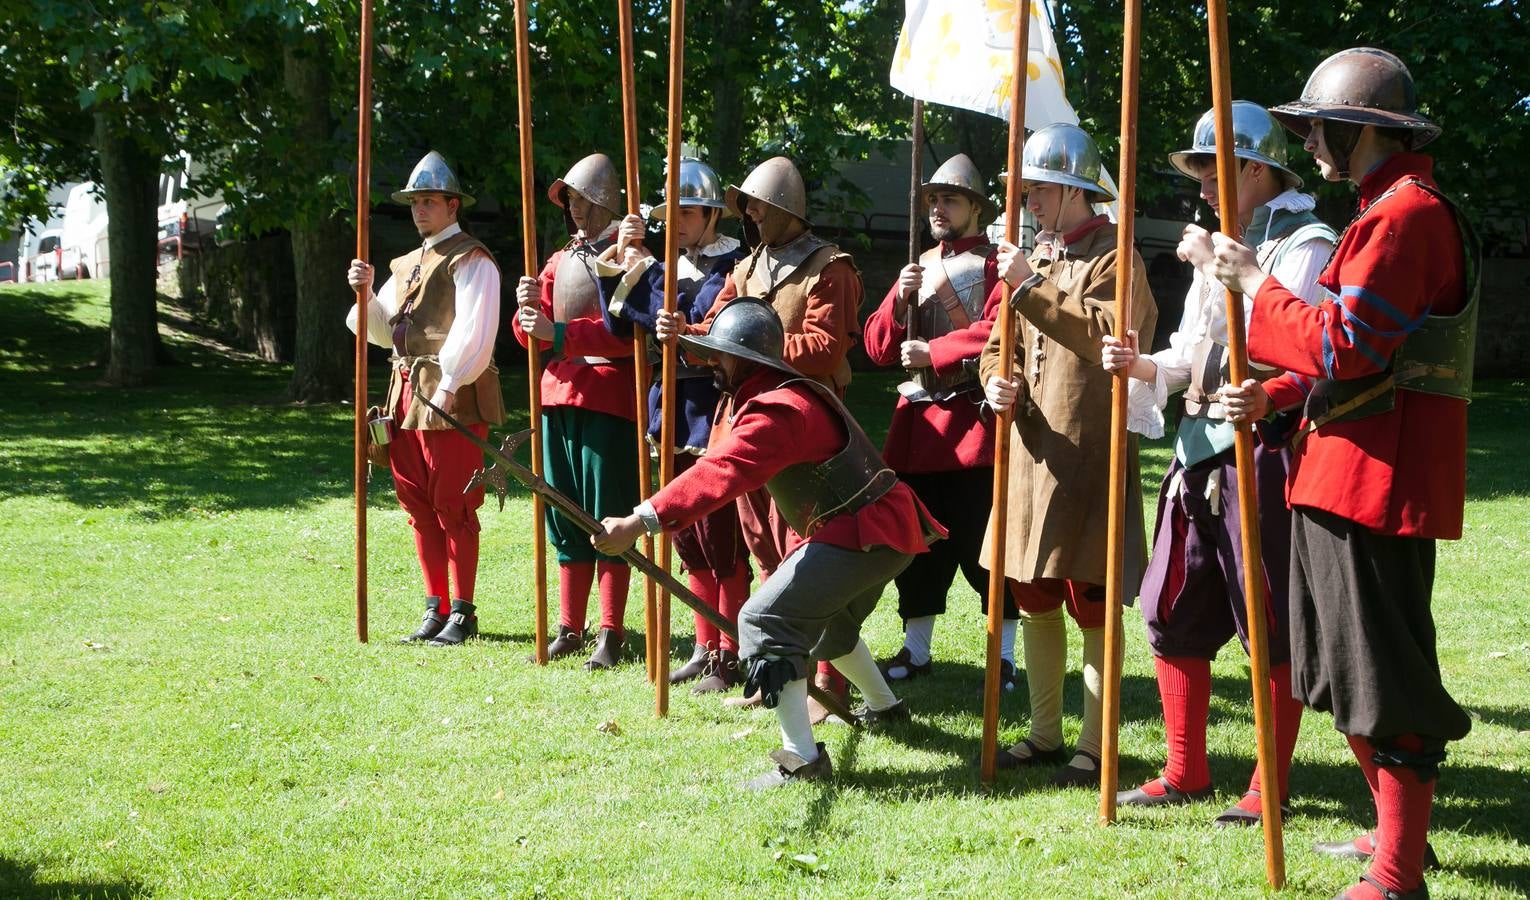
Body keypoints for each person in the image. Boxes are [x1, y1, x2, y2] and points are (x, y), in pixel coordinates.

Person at [1196, 48, 1476, 900]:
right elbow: (1348, 356)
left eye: (1317, 126)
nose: (1309, 142)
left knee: (1384, 681)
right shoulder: (1382, 211)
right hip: (1339, 472)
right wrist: (1277, 391)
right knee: (1342, 673)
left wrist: (1251, 283)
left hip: (1377, 484)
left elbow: (1348, 345)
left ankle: (1397, 876)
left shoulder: (1405, 217)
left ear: (1358, 130)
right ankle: (1400, 842)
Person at [592, 298, 944, 788]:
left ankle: (802, 758)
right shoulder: (782, 393)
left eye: (723, 356)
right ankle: (886, 708)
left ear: (747, 360)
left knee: (764, 617)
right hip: (875, 528)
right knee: (825, 622)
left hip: (867, 531)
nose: (716, 364)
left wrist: (640, 520)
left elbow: (720, 471)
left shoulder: (779, 409)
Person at [1102, 101, 1336, 827]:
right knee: (1168, 602)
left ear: (1259, 169)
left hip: (1264, 446)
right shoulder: (1223, 239)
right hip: (1197, 444)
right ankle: (1184, 768)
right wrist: (1145, 364)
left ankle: (1270, 783)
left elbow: (1284, 348)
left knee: (1266, 614)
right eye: (1199, 173)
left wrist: (1219, 266)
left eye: (1215, 171)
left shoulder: (1306, 240)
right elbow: (1192, 346)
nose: (1202, 187)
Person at [979, 123, 1157, 787]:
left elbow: (1106, 337)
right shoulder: (1039, 258)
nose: (1025, 201)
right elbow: (997, 344)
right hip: (1030, 450)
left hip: (1088, 450)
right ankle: (1045, 733)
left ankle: (1094, 742)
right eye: (1023, 190)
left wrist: (1028, 285)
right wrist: (992, 380)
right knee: (1034, 590)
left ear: (1071, 189)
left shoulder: (1118, 255)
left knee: (1091, 593)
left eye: (1036, 189)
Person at [656, 156, 864, 720]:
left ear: (784, 208)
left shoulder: (830, 267)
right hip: (746, 420)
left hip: (805, 432)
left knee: (808, 557)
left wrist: (758, 348)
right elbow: (719, 331)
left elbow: (826, 348)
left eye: (756, 204)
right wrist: (687, 335)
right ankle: (779, 669)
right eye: (744, 205)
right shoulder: (746, 269)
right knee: (763, 548)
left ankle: (828, 681)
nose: (747, 213)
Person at [861, 153, 1014, 688]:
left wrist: (938, 351)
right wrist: (900, 302)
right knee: (919, 548)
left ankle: (1007, 655)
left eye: (949, 199)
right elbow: (879, 346)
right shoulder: (918, 264)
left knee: (985, 545)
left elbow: (999, 329)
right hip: (918, 431)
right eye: (932, 200)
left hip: (975, 424)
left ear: (975, 206)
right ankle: (916, 649)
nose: (938, 208)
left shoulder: (998, 263)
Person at [601, 157, 752, 693]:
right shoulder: (666, 262)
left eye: (689, 211)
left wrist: (666, 299)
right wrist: (625, 255)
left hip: (713, 410)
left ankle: (731, 652)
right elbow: (619, 319)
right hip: (669, 407)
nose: (679, 221)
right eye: (673, 212)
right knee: (685, 537)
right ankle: (704, 644)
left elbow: (712, 317)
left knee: (721, 540)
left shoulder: (736, 263)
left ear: (712, 214)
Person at [345, 151, 504, 646]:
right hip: (403, 394)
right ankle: (434, 606)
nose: (420, 209)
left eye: (429, 200)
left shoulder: (471, 258)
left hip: (448, 395)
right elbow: (374, 329)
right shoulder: (408, 262)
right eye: (415, 201)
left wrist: (450, 385)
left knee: (453, 502)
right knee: (416, 501)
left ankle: (462, 611)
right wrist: (367, 292)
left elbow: (475, 331)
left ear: (453, 204)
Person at [511, 152, 638, 670]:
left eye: (581, 199)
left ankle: (611, 632)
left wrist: (559, 333)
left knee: (607, 515)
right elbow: (530, 337)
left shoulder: (628, 255)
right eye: (569, 200)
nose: (574, 209)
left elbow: (628, 332)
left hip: (607, 397)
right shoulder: (560, 260)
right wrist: (527, 312)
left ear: (605, 200)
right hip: (556, 394)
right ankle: (570, 624)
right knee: (562, 513)